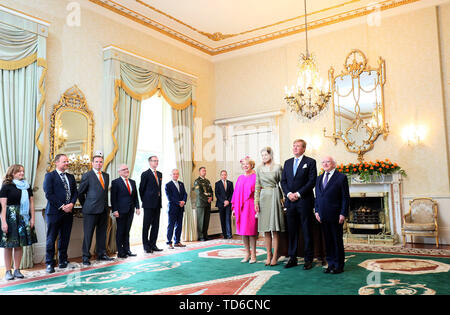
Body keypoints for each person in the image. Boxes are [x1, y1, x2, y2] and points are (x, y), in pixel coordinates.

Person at [281, 139, 317, 269]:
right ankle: (292, 258)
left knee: (307, 230)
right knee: (292, 230)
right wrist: (289, 194)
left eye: (298, 146)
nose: (295, 148)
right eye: (294, 146)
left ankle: (308, 259)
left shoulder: (310, 162)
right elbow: (283, 181)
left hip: (304, 201)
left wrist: (298, 194)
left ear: (304, 148)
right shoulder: (287, 162)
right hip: (290, 202)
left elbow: (312, 181)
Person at [0, 164, 37, 280]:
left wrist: (33, 218)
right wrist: (3, 222)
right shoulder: (6, 186)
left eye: (23, 171)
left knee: (19, 245)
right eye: (19, 171)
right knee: (8, 245)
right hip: (10, 217)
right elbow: (3, 205)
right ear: (12, 173)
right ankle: (7, 271)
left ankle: (17, 270)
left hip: (23, 217)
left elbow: (31, 203)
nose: (22, 173)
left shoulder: (27, 186)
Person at [43, 154, 78, 273]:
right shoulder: (50, 176)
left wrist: (72, 204)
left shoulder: (71, 177)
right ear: (56, 162)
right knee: (51, 238)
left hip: (68, 212)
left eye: (68, 161)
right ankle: (49, 263)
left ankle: (63, 261)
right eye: (64, 161)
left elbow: (75, 193)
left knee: (65, 237)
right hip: (54, 212)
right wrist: (62, 206)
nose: (67, 163)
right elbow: (49, 194)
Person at [315, 156, 350, 274]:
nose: (325, 164)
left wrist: (343, 213)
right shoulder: (319, 178)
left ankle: (339, 265)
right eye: (323, 162)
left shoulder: (341, 177)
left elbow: (345, 197)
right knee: (328, 241)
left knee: (336, 240)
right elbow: (318, 196)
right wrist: (316, 211)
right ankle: (330, 264)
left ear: (334, 164)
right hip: (322, 215)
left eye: (328, 162)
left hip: (336, 215)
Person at [78, 154, 113, 265]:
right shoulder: (87, 175)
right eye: (96, 162)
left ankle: (101, 254)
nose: (99, 164)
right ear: (92, 163)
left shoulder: (106, 176)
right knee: (88, 234)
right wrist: (85, 205)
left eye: (100, 162)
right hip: (90, 210)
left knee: (102, 233)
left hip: (103, 210)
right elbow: (80, 193)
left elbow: (104, 193)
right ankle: (85, 257)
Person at [254, 147, 285, 266]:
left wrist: (283, 198)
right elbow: (257, 185)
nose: (264, 157)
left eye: (265, 155)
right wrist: (256, 201)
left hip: (275, 196)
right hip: (263, 197)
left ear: (271, 155)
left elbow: (282, 184)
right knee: (266, 229)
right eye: (262, 155)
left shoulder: (278, 167)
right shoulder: (259, 168)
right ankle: (268, 255)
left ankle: (275, 256)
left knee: (275, 230)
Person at [231, 157, 258, 264]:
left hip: (251, 206)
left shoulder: (255, 177)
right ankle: (247, 253)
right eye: (244, 164)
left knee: (251, 231)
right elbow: (236, 193)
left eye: (247, 164)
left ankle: (254, 255)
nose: (245, 166)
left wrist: (257, 206)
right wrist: (234, 208)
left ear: (251, 165)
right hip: (240, 207)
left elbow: (258, 193)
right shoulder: (240, 178)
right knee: (243, 231)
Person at [111, 164, 140, 258]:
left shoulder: (132, 181)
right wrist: (114, 210)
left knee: (127, 231)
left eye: (127, 169)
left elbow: (135, 196)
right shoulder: (115, 182)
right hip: (120, 211)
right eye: (123, 169)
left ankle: (127, 250)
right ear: (119, 172)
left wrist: (137, 207)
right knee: (120, 231)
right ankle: (120, 252)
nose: (126, 171)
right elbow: (113, 198)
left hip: (130, 210)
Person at [139, 155, 163, 253]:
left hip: (158, 203)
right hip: (148, 204)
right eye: (154, 161)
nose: (156, 162)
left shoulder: (160, 174)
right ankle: (146, 246)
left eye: (157, 161)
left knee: (156, 225)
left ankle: (153, 244)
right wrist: (145, 200)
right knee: (146, 225)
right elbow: (141, 189)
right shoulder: (145, 174)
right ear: (149, 162)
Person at [165, 169, 188, 249]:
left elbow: (185, 194)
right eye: (174, 174)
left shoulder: (181, 184)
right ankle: (169, 242)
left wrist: (184, 201)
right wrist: (179, 202)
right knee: (171, 226)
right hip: (172, 209)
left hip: (181, 208)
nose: (175, 175)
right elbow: (169, 197)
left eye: (177, 174)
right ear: (171, 175)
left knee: (179, 226)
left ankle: (177, 241)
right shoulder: (168, 185)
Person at [193, 167, 213, 241]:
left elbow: (211, 191)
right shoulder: (197, 181)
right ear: (199, 172)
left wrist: (211, 198)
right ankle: (201, 236)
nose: (204, 172)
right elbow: (199, 193)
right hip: (201, 204)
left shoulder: (207, 181)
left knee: (206, 220)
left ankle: (205, 235)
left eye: (205, 171)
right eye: (203, 171)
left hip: (208, 203)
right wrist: (206, 199)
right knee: (201, 221)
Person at [215, 170, 234, 239]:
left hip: (228, 204)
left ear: (226, 175)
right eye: (222, 175)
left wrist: (228, 201)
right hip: (221, 204)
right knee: (222, 219)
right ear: (220, 176)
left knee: (228, 219)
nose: (224, 176)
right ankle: (225, 235)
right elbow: (217, 194)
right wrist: (223, 201)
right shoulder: (217, 183)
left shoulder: (230, 183)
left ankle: (229, 234)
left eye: (225, 175)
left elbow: (232, 193)